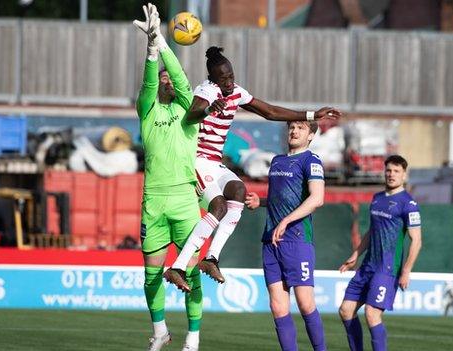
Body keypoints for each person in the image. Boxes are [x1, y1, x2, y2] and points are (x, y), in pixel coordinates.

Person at [164, 46, 342, 292]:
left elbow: (269, 111)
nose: (228, 82)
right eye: (223, 78)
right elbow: (191, 114)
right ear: (213, 78)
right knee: (219, 206)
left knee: (238, 190)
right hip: (195, 161)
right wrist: (207, 109)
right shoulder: (207, 90)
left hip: (214, 163)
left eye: (231, 76)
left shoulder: (236, 92)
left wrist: (312, 114)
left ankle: (211, 259)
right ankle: (178, 267)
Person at [133, 4, 202, 351]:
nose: (167, 81)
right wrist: (149, 50)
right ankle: (160, 330)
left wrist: (163, 44)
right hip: (153, 201)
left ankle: (193, 336)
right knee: (151, 274)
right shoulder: (147, 111)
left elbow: (183, 80)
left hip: (185, 200)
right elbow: (147, 83)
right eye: (163, 78)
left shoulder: (188, 110)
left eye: (169, 79)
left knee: (190, 272)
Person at [245, 120, 328, 351]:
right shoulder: (277, 160)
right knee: (278, 307)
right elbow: (280, 199)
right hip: (271, 241)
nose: (294, 130)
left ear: (311, 135)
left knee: (305, 303)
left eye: (301, 128)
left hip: (297, 240)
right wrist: (260, 202)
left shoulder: (311, 160)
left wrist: (287, 220)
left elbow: (317, 198)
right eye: (292, 126)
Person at [338, 155, 423, 351]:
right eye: (389, 170)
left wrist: (406, 271)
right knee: (345, 310)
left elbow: (416, 240)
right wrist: (356, 254)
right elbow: (371, 231)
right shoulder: (377, 199)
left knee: (372, 313)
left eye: (396, 171)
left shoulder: (408, 204)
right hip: (367, 266)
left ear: (404, 175)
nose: (391, 174)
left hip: (387, 269)